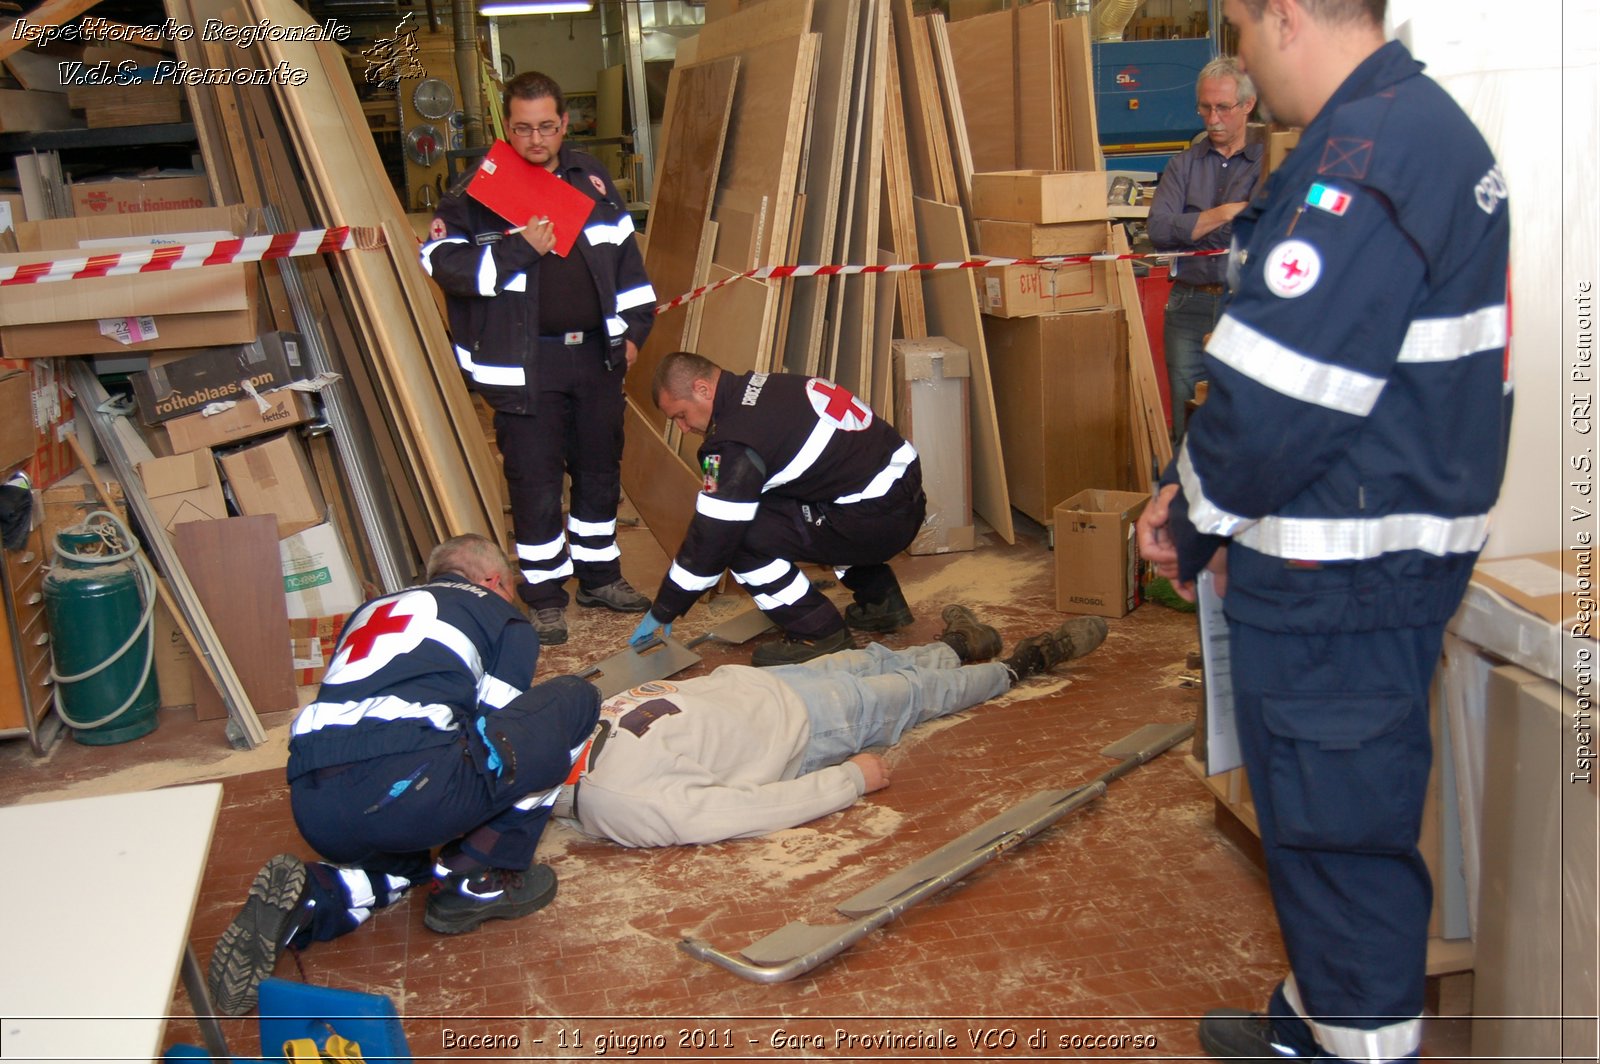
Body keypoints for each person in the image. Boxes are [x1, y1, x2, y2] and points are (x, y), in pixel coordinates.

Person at [1135, 1, 1511, 1059]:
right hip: (1353, 551)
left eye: (1244, 36)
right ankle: (1314, 1016)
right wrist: (1191, 487)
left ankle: (1355, 1041)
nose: (1243, 67)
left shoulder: (1368, 160)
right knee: (1318, 821)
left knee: (1340, 841)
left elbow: (1281, 394)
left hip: (1340, 575)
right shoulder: (1405, 129)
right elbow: (1286, 350)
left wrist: (1188, 517)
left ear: (1285, 15)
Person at [205, 535, 601, 1016]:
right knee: (572, 702)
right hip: (407, 788)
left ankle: (314, 897)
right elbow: (497, 729)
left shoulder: (370, 611)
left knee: (405, 855)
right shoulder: (503, 619)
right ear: (494, 581)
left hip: (315, 802)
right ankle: (476, 878)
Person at [420, 71, 656, 646]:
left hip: (598, 358)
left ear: (564, 123)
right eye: (522, 128)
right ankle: (545, 595)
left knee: (600, 470)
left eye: (546, 126)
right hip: (526, 366)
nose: (535, 138)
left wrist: (634, 333)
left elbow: (628, 268)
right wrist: (519, 248)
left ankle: (600, 576)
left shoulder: (594, 183)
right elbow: (441, 263)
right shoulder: (478, 189)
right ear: (506, 125)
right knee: (535, 481)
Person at [560, 607, 1109, 847]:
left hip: (768, 688)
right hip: (808, 728)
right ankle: (1022, 664)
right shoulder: (621, 801)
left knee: (871, 661)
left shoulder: (559, 737)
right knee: (913, 696)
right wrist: (848, 781)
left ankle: (960, 645)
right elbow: (744, 813)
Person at [629, 352, 927, 667]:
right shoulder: (765, 384)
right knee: (787, 498)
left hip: (874, 521)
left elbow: (712, 538)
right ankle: (880, 601)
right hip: (902, 498)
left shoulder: (730, 446)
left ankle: (819, 633)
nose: (684, 429)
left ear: (702, 389)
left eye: (681, 415)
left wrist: (666, 606)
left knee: (739, 537)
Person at [1146, 55, 1262, 444]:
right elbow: (1160, 230)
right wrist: (1226, 213)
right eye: (1205, 107)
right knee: (1187, 418)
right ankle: (1186, 502)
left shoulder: (1270, 165)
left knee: (1246, 414)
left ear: (1247, 105)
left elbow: (1270, 227)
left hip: (1247, 306)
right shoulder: (1183, 166)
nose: (1212, 119)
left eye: (1223, 108)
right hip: (1188, 305)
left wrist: (1193, 228)